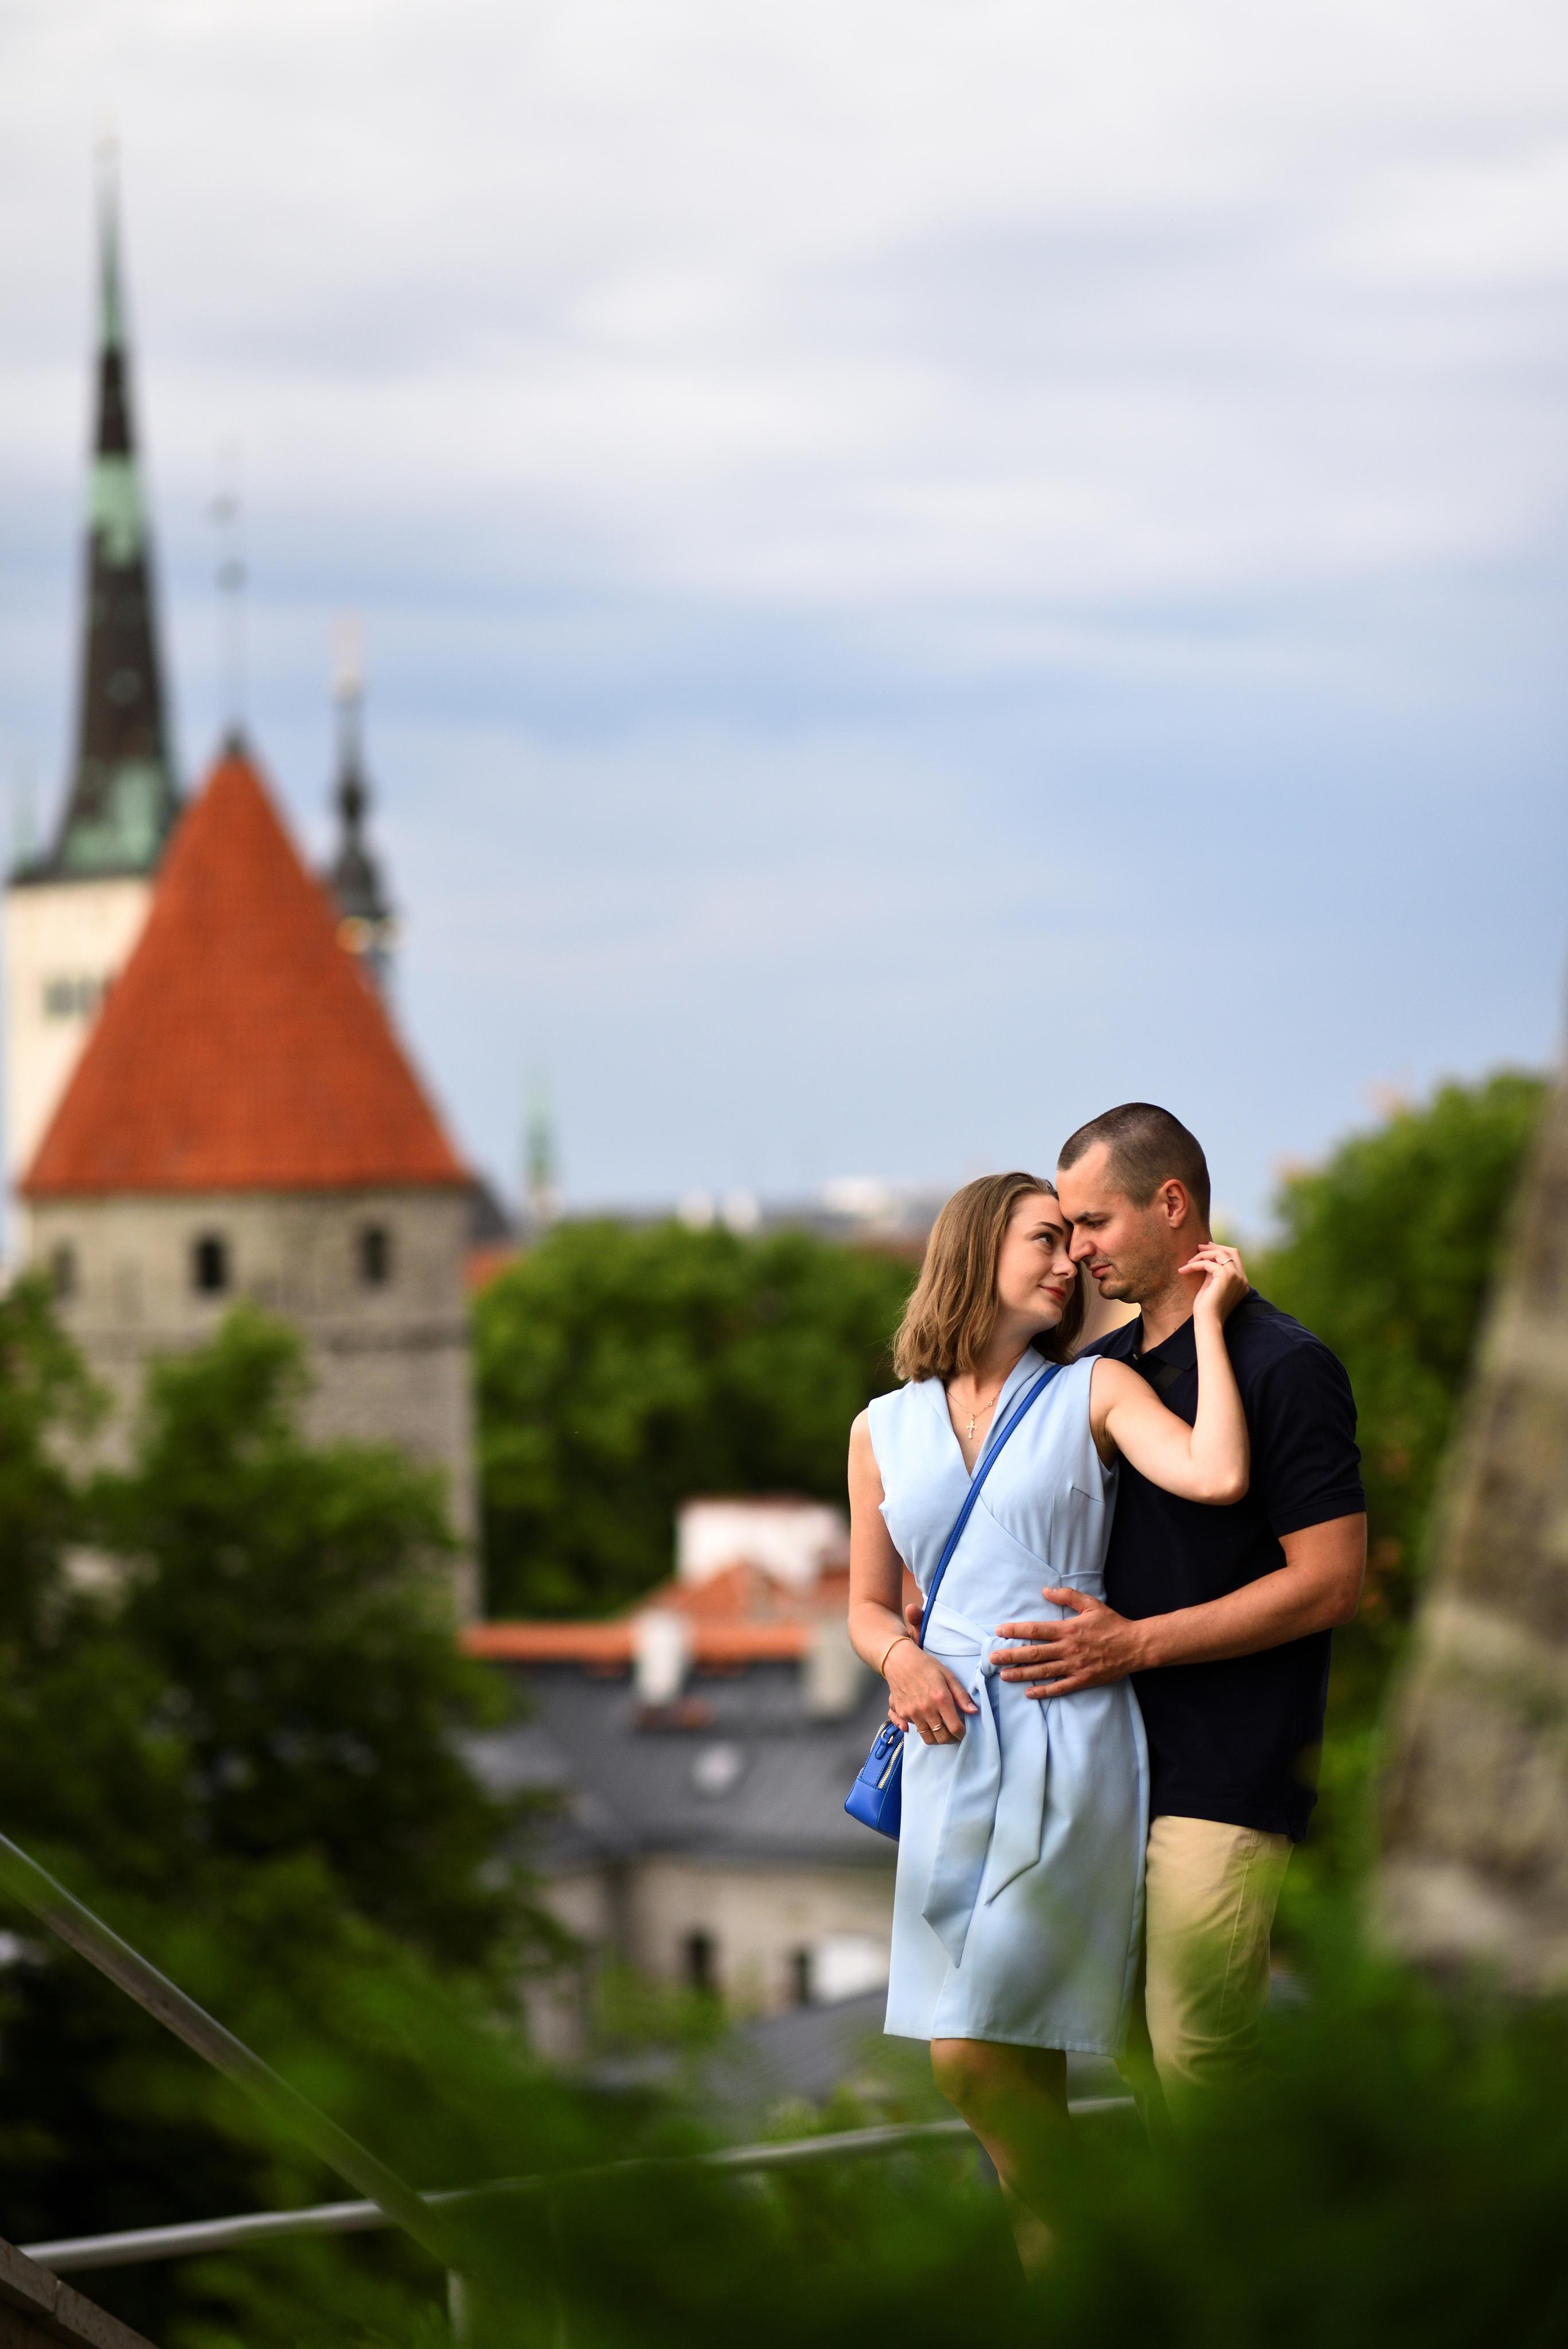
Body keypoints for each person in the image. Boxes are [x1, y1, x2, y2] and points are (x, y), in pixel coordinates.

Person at [846, 1171, 1250, 2264]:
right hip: (947, 1742)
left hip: (1067, 1730)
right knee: (1010, 2074)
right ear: (976, 1250)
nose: (1070, 1258)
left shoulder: (1094, 1392)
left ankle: (1115, 2266)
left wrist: (1208, 1323)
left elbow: (1216, 1472)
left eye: (1076, 1239)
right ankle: (1086, 2293)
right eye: (1045, 1236)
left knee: (969, 2055)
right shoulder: (882, 1428)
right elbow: (866, 1602)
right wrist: (899, 1657)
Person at [997, 1103, 1366, 2103]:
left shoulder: (1287, 1365)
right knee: (1138, 2067)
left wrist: (1138, 1646)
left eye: (1095, 1224)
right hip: (1106, 1773)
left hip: (1229, 1773)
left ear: (1173, 1205)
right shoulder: (1097, 1377)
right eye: (1063, 1228)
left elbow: (1332, 1579)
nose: (1076, 1252)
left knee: (1202, 2061)